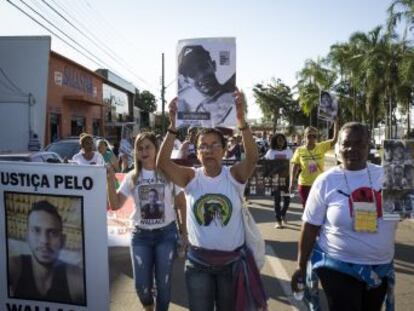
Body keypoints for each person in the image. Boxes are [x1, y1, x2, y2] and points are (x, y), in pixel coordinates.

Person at [157, 90, 267, 311]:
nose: (208, 150)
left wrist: (241, 120)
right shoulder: (191, 177)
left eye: (214, 145)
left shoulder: (234, 176)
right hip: (198, 265)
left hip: (231, 265)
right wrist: (172, 125)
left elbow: (253, 157)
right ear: (196, 153)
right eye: (202, 146)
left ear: (224, 150)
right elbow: (162, 163)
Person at [291, 122, 399, 311]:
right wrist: (300, 266)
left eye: (359, 143)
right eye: (346, 143)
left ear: (369, 145)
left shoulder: (388, 176)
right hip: (338, 266)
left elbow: (402, 214)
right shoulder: (326, 181)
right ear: (338, 146)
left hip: (380, 268)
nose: (352, 149)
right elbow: (310, 226)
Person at [107, 132, 187, 311]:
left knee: (163, 284)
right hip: (140, 236)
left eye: (148, 147)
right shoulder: (132, 177)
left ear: (156, 149)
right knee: (141, 287)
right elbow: (115, 204)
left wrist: (184, 233)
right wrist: (109, 181)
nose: (143, 151)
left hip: (166, 235)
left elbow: (181, 204)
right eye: (139, 148)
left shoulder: (168, 174)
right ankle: (148, 306)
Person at [8, 200, 85, 305]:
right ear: (27, 237)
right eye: (36, 230)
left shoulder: (76, 278)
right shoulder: (14, 266)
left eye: (53, 233)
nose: (44, 241)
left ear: (63, 241)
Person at [177, 45, 236, 127]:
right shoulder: (199, 114)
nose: (201, 76)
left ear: (213, 65)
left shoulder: (234, 96)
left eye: (203, 67)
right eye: (192, 73)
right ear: (187, 81)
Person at [289, 120, 339, 208]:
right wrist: (291, 182)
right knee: (307, 207)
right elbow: (295, 167)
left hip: (319, 183)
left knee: (318, 207)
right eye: (309, 135)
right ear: (305, 136)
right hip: (304, 184)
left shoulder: (321, 147)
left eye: (314, 136)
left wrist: (336, 123)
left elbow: (334, 140)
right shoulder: (299, 150)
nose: (311, 138)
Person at [264, 133, 293, 229]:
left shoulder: (289, 152)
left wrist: (294, 178)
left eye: (282, 139)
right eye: (278, 139)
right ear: (275, 141)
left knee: (287, 200)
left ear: (285, 141)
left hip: (287, 180)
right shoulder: (270, 152)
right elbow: (266, 165)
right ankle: (278, 220)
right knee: (277, 200)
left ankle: (283, 213)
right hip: (275, 180)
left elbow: (293, 166)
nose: (281, 141)